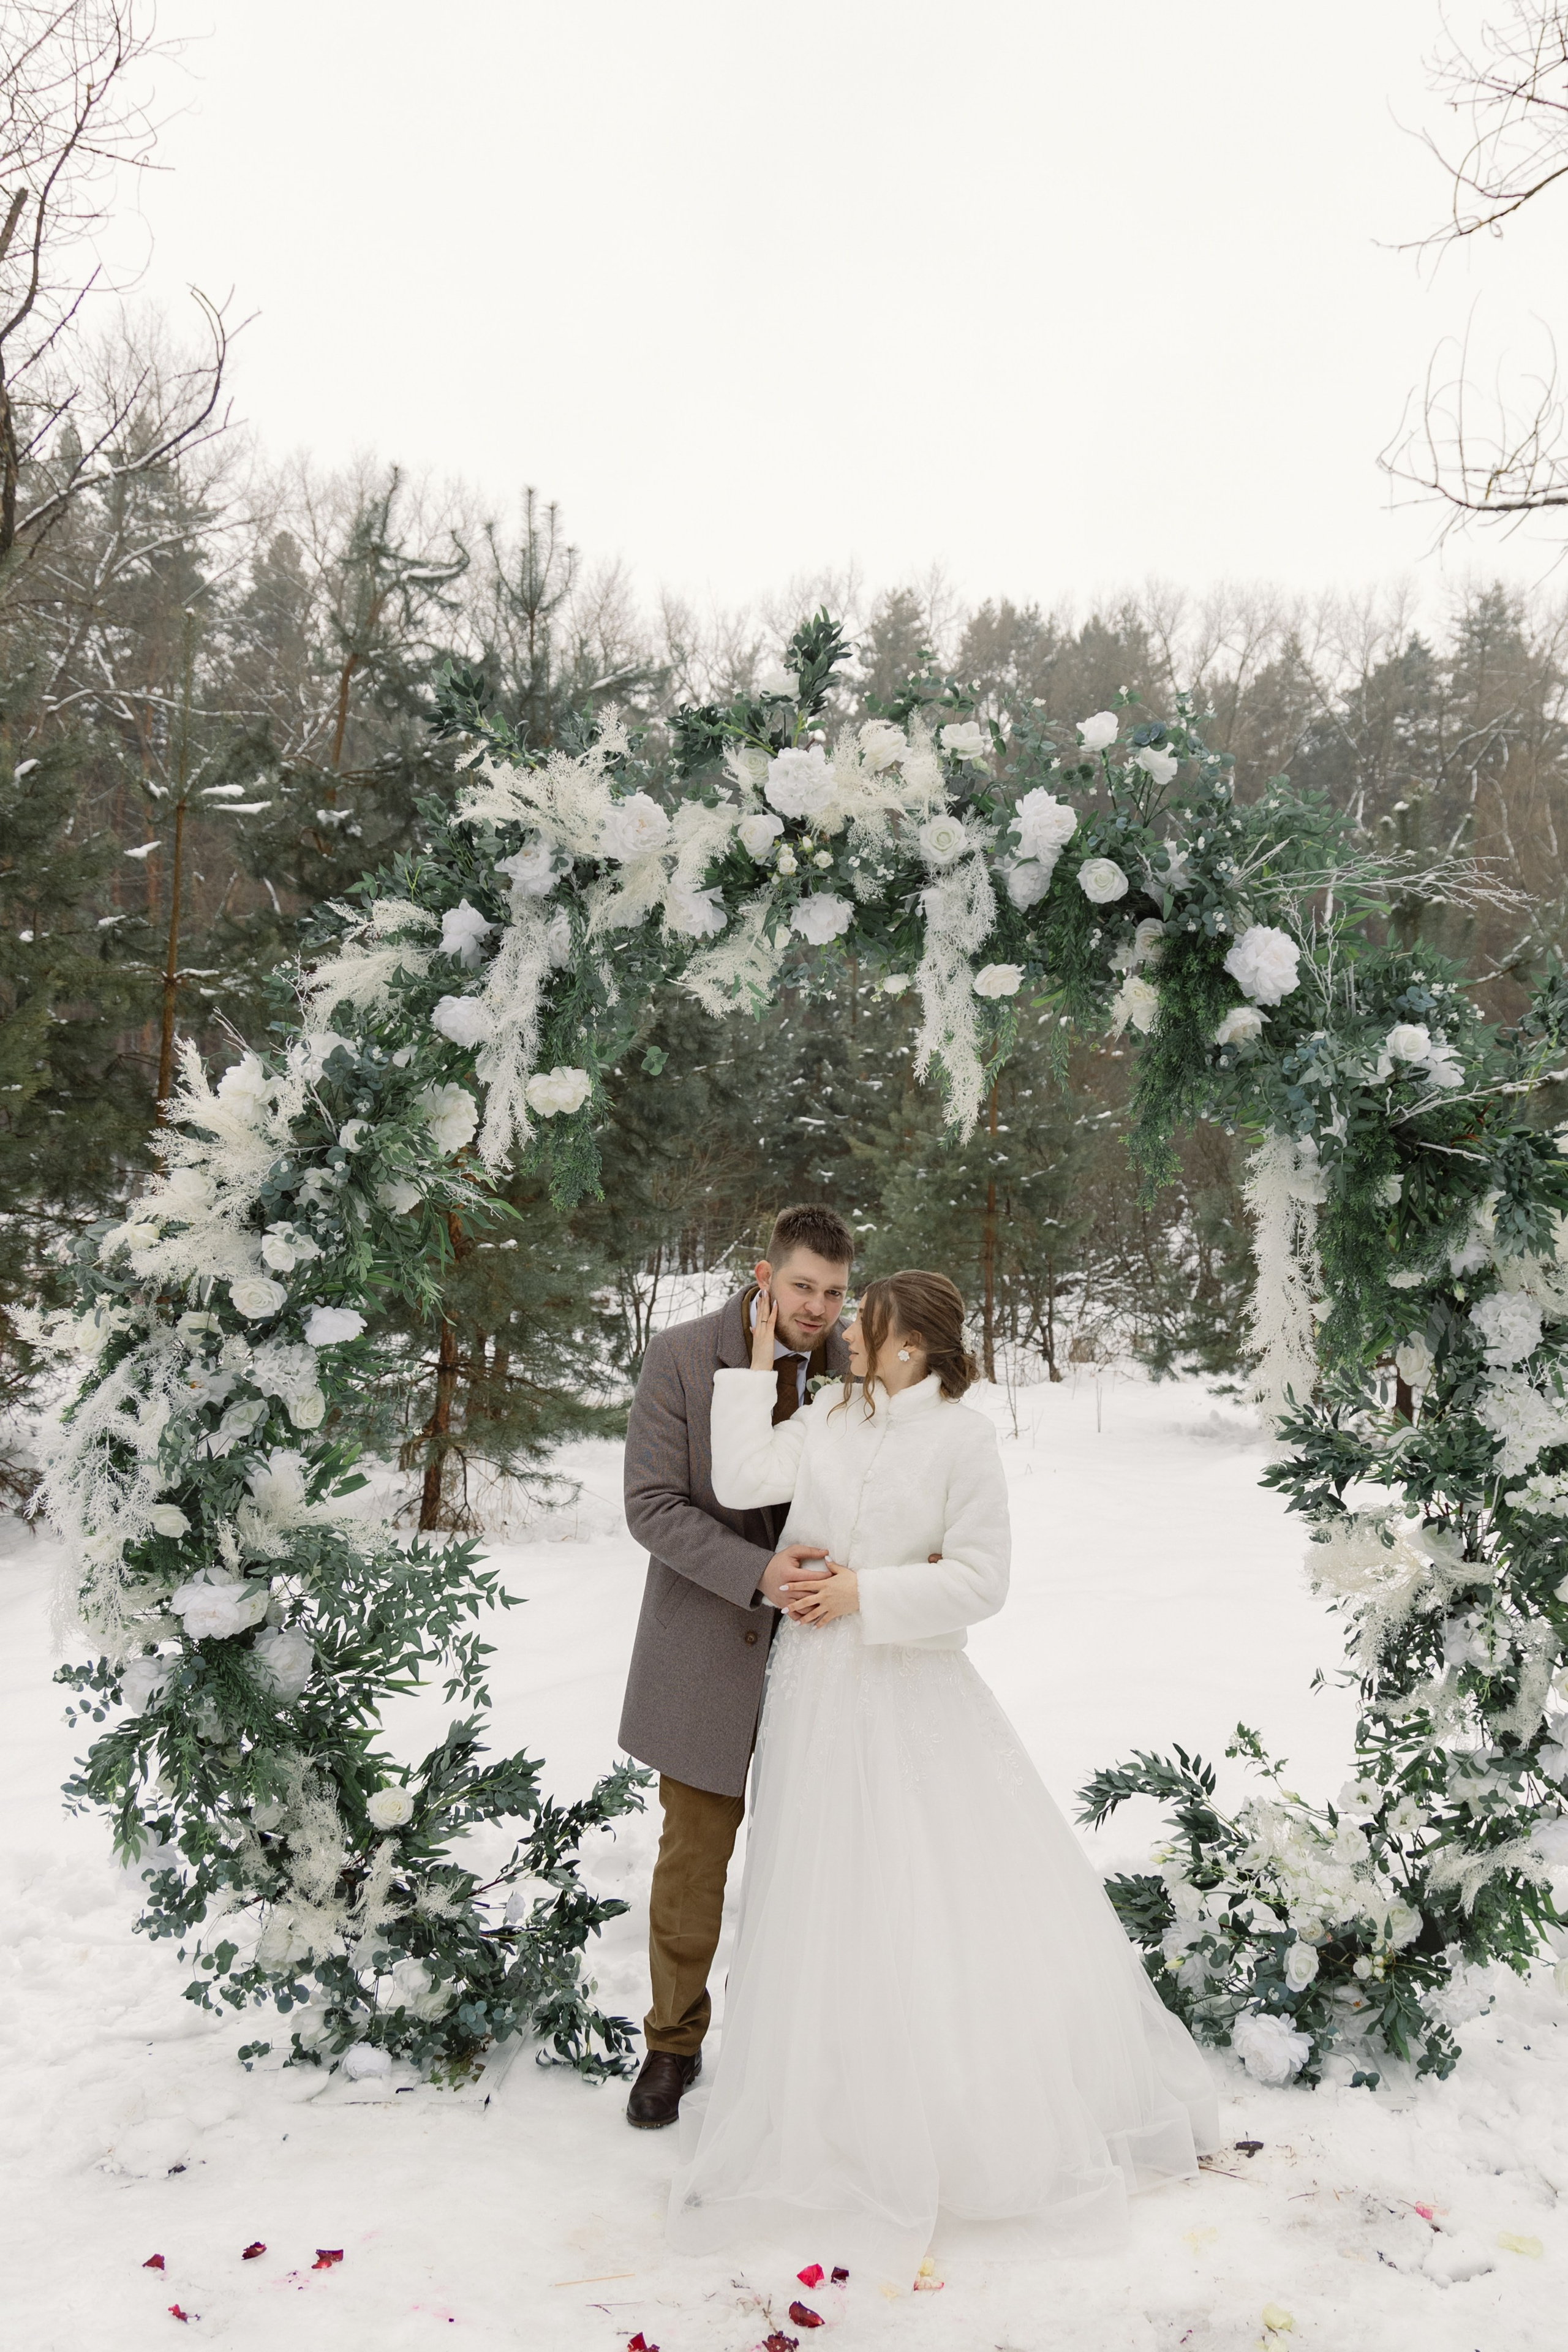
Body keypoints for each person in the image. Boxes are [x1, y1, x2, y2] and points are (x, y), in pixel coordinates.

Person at [666, 1268, 1221, 2275]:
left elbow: (983, 1578)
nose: (844, 1337)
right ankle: (826, 2093)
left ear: (911, 1345)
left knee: (921, 1886)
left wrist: (864, 1593)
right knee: (820, 1886)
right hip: (811, 1690)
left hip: (907, 1689)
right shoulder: (834, 1409)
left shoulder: (964, 1438)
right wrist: (754, 1368)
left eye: (863, 1326)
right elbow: (746, 1478)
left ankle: (941, 2100)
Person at [618, 1203, 854, 2128]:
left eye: (834, 1293)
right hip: (705, 1644)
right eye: (802, 1286)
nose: (818, 1308)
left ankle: (805, 2045)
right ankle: (672, 2046)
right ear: (765, 1276)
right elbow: (651, 1505)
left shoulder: (855, 1368)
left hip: (826, 1652)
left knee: (821, 1855)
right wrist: (756, 1573)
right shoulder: (679, 1356)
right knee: (694, 1861)